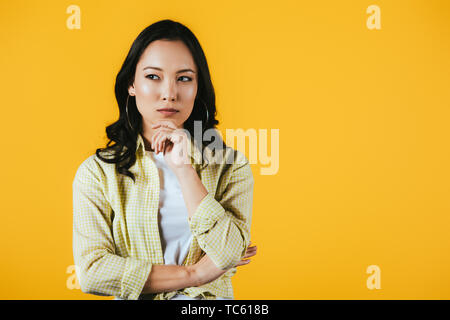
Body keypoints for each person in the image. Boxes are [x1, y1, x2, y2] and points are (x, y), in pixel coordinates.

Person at [72, 19, 257, 300]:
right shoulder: (98, 173)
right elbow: (93, 272)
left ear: (198, 88)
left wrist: (184, 169)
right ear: (131, 85)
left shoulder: (230, 166)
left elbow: (229, 251)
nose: (169, 93)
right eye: (153, 77)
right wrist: (194, 274)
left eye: (184, 78)